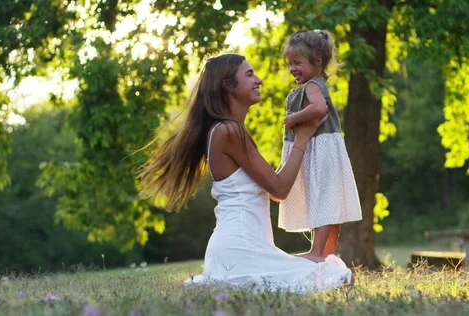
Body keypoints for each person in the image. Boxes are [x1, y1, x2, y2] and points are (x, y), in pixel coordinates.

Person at [137, 53, 351, 292]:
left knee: (327, 271)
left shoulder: (228, 130)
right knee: (336, 276)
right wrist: (302, 137)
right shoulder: (229, 131)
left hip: (240, 249)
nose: (258, 80)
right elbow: (279, 190)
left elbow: (273, 187)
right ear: (228, 86)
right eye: (249, 75)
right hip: (241, 250)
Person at [278, 29, 362, 263]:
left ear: (317, 61)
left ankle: (317, 253)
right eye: (290, 63)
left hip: (320, 149)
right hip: (320, 149)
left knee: (323, 200)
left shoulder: (313, 86)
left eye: (297, 63)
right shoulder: (309, 85)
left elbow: (319, 109)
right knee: (328, 201)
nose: (292, 68)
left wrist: (294, 119)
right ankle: (327, 253)